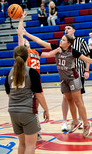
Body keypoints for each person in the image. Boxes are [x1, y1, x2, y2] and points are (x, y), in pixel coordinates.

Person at [23, 29, 92, 137]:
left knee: (78, 102)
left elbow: (89, 60)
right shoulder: (56, 48)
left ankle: (86, 123)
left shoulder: (73, 51)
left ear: (68, 43)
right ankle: (75, 122)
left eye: (63, 40)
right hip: (64, 80)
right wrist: (27, 34)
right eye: (61, 39)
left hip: (73, 78)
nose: (61, 41)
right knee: (69, 100)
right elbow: (40, 41)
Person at [4, 45, 49, 154]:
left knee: (22, 143)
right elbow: (39, 94)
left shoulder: (9, 73)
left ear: (14, 57)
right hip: (28, 111)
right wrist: (46, 109)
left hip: (13, 111)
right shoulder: (32, 72)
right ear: (27, 57)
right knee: (30, 145)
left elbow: (9, 94)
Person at [18, 12, 61, 141]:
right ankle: (29, 130)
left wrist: (57, 50)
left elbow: (48, 55)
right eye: (23, 41)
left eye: (26, 41)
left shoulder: (36, 52)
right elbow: (20, 34)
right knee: (30, 107)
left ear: (29, 43)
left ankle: (35, 131)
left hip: (36, 81)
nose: (25, 41)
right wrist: (21, 20)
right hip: (27, 81)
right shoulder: (22, 52)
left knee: (35, 107)